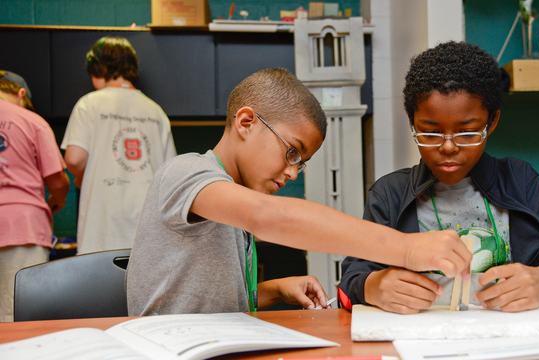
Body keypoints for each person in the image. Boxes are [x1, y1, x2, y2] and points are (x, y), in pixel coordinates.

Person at [127, 68, 473, 316]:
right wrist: (407, 248)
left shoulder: (230, 198)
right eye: (292, 152)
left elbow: (202, 303)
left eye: (301, 162)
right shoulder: (186, 172)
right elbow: (268, 216)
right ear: (246, 122)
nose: (293, 171)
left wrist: (270, 292)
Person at [338, 41, 539, 314]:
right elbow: (351, 278)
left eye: (466, 133)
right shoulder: (391, 193)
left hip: (511, 339)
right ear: (412, 121)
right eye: (430, 133)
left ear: (492, 122)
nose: (448, 147)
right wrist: (373, 285)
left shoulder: (519, 181)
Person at [61, 36, 176, 254]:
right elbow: (168, 174)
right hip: (148, 230)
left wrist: (79, 176)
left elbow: (74, 158)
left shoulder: (89, 104)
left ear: (98, 69)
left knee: (100, 286)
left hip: (102, 227)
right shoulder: (156, 111)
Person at [0, 70, 69, 322]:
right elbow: (58, 181)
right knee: (16, 312)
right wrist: (55, 202)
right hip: (23, 225)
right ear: (21, 94)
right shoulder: (32, 121)